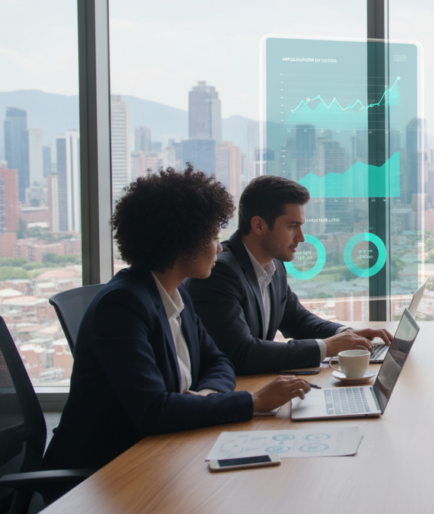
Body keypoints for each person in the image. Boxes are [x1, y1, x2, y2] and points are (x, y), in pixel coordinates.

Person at [42, 167, 310, 476]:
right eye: (212, 237)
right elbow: (153, 410)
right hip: (107, 471)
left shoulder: (176, 293)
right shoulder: (121, 306)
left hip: (165, 451)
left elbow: (219, 362)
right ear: (184, 241)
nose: (219, 247)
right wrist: (254, 401)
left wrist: (207, 398)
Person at [188, 176, 392, 375]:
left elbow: (297, 320)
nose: (301, 237)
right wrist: (326, 347)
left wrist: (345, 334)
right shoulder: (219, 272)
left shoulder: (274, 265)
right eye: (292, 226)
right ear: (259, 225)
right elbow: (240, 353)